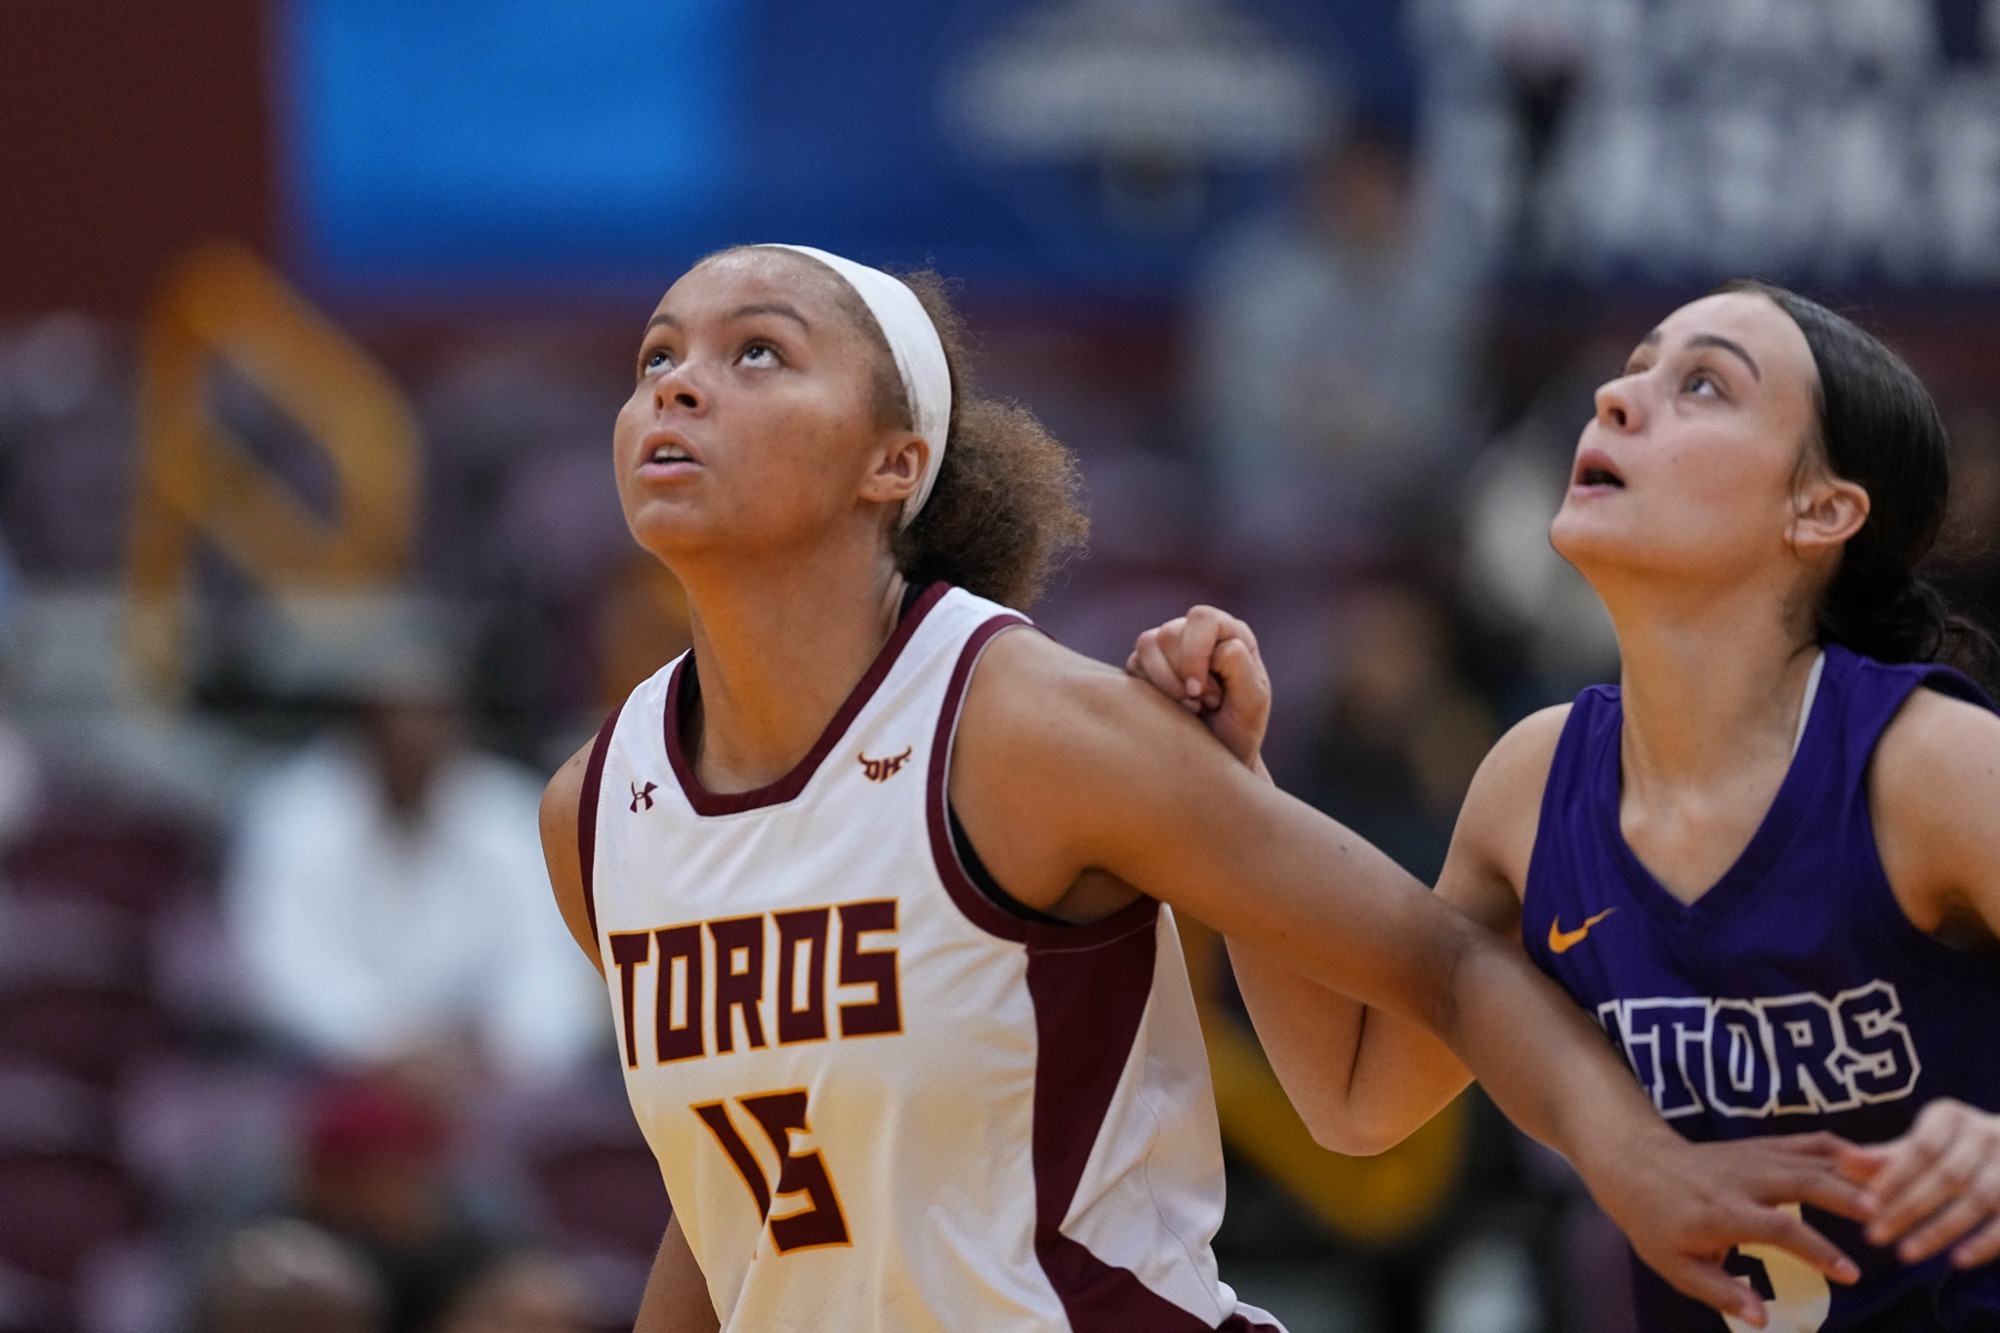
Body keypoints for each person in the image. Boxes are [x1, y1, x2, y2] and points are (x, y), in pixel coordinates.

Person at [537, 246, 1870, 1333]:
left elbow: (1444, 969)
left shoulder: (1026, 729)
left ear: (896, 461)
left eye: (753, 352)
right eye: (656, 357)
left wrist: (1639, 1164)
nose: (679, 387)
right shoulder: (594, 810)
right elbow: (737, 1198)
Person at [1128, 282, 2000, 1331]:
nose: (1617, 398)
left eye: (1702, 385)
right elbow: (1355, 1097)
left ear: (1818, 511)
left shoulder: (1927, 765)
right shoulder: (1534, 781)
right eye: (1631, 370)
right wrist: (1234, 786)